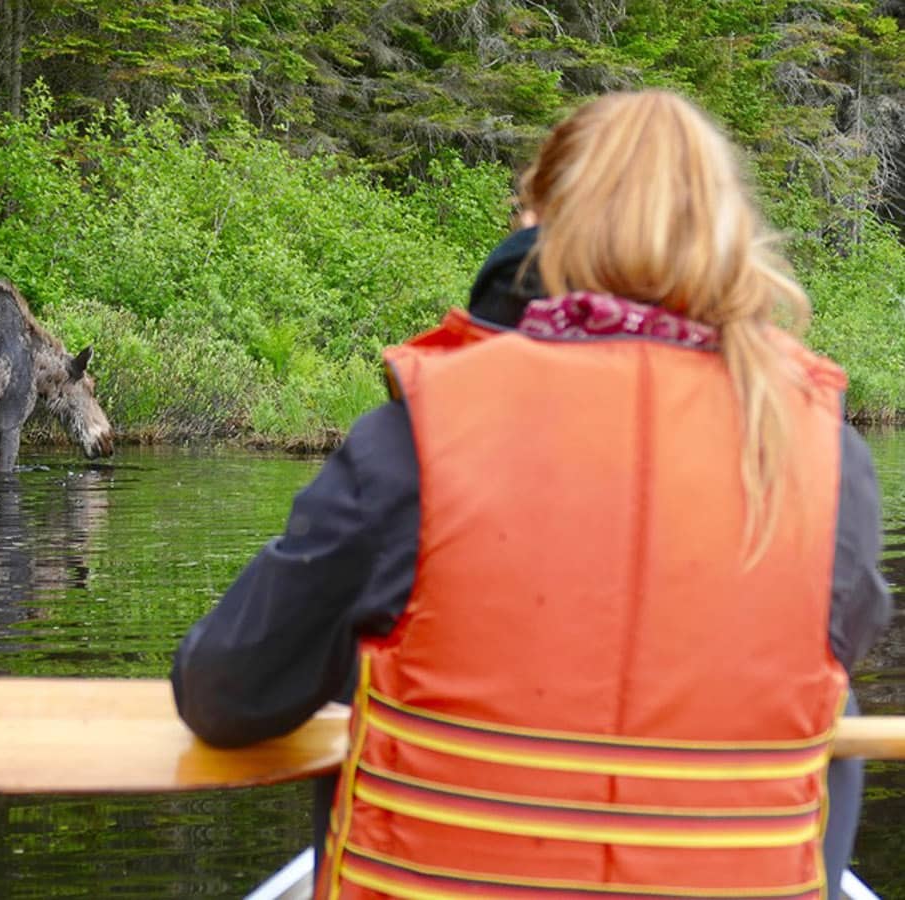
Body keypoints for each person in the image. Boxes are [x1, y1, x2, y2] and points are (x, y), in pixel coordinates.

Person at [170, 90, 892, 898]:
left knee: (371, 637)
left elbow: (224, 692)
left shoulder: (415, 441)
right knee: (834, 696)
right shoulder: (830, 459)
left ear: (541, 232)